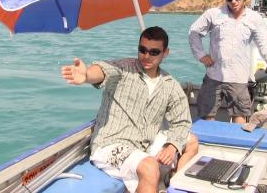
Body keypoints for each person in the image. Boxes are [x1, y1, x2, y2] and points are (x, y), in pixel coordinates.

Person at [62, 26, 198, 193]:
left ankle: (173, 182)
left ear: (165, 53)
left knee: (191, 141)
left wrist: (172, 145)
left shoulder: (170, 84)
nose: (146, 56)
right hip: (112, 143)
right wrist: (87, 76)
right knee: (149, 167)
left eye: (154, 52)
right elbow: (104, 70)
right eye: (142, 50)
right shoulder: (124, 69)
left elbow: (182, 121)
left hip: (144, 144)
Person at [188, 0, 267, 124]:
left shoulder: (255, 18)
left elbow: (265, 44)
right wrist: (201, 55)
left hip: (239, 77)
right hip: (214, 75)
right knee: (206, 114)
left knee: (240, 114)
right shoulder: (213, 14)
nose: (234, 1)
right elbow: (194, 32)